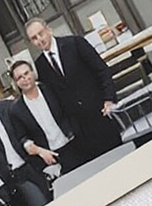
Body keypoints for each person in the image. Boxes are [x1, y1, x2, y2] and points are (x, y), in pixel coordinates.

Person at [23, 18, 125, 159]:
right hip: (80, 130)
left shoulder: (74, 43)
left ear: (48, 30)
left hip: (101, 112)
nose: (39, 39)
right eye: (34, 38)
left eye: (41, 33)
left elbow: (102, 71)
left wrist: (109, 99)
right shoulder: (40, 65)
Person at [4, 60, 96, 185]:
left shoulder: (50, 88)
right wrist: (40, 151)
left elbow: (69, 110)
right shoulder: (16, 109)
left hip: (74, 143)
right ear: (15, 83)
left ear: (33, 72)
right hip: (52, 156)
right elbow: (23, 140)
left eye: (26, 73)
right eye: (20, 77)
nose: (25, 78)